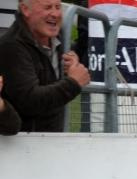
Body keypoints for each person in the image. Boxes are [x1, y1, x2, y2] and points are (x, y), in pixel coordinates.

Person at [0, 0, 90, 132]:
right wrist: (73, 83)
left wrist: (71, 64)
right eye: (47, 7)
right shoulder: (11, 46)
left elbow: (50, 86)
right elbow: (29, 102)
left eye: (58, 7)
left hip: (50, 143)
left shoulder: (58, 38)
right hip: (23, 146)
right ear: (25, 10)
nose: (55, 14)